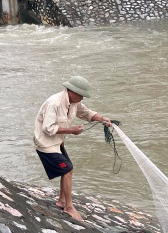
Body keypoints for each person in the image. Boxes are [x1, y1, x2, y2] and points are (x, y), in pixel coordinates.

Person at [34, 76, 112, 221]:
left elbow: (86, 113)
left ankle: (62, 201)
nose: (82, 98)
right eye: (80, 94)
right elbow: (47, 128)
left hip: (57, 142)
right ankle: (69, 207)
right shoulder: (54, 103)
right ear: (71, 91)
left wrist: (102, 119)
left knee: (68, 169)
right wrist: (71, 130)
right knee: (67, 170)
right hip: (45, 143)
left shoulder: (74, 102)